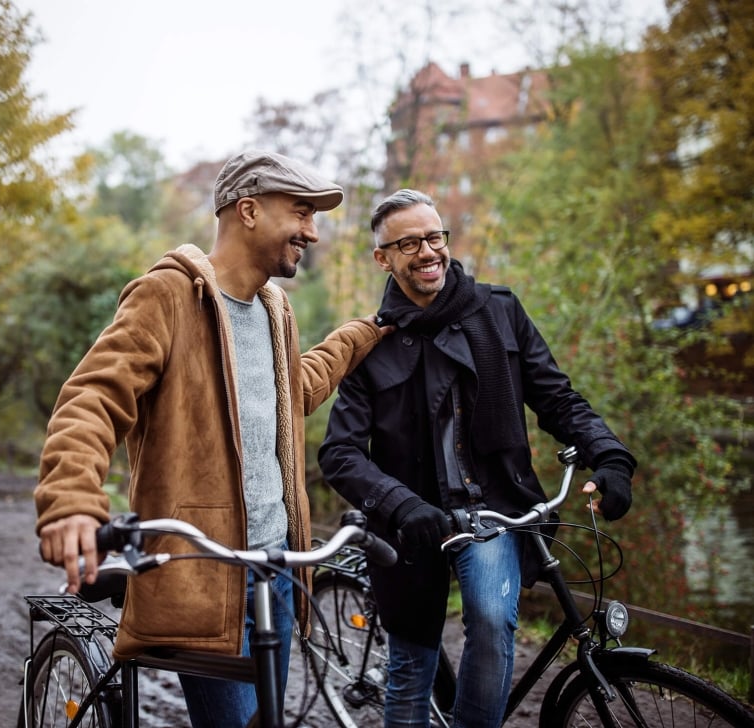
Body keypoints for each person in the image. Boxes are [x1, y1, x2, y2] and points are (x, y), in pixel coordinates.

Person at [34, 149, 391, 728]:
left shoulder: (276, 310)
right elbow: (92, 399)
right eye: (301, 212)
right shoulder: (168, 296)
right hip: (203, 573)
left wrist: (361, 334)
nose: (313, 233)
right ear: (248, 210)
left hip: (275, 569)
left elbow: (287, 390)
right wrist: (71, 501)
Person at [318, 188, 636, 728]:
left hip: (492, 510)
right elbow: (340, 453)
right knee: (410, 664)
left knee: (491, 620)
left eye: (435, 237)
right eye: (409, 242)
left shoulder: (500, 311)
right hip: (409, 526)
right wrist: (398, 504)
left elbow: (556, 397)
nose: (428, 252)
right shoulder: (371, 343)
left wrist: (610, 456)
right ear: (383, 257)